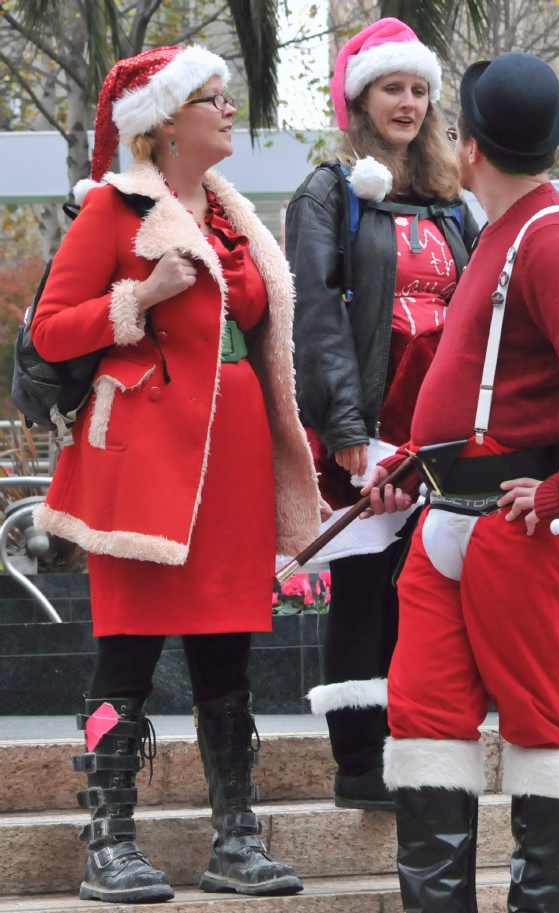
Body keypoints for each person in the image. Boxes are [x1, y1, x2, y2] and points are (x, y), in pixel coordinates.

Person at [31, 46, 320, 903]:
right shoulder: (114, 211)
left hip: (230, 464)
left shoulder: (235, 216)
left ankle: (235, 838)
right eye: (212, 99)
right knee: (124, 659)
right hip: (144, 468)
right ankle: (106, 841)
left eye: (229, 98)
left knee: (226, 658)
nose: (230, 111)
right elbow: (51, 331)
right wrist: (145, 295)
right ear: (162, 124)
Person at [362, 52, 559, 913]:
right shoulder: (505, 232)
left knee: (544, 726)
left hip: (522, 526)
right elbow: (486, 378)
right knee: (423, 718)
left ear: (465, 142)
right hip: (452, 513)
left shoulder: (550, 235)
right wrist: (416, 460)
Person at [286, 17, 478, 811]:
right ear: (359, 100)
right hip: (368, 423)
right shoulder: (328, 193)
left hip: (441, 427)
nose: (408, 102)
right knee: (366, 586)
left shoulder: (452, 204)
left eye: (419, 89)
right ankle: (358, 762)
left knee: (423, 587)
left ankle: (412, 744)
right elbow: (317, 320)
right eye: (392, 88)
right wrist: (349, 436)